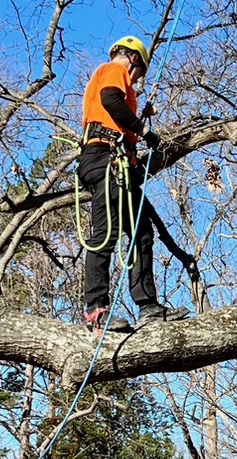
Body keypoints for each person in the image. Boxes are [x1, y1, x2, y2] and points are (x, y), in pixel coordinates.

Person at [78, 35, 190, 330]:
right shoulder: (113, 69)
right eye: (141, 73)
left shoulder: (114, 79)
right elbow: (111, 101)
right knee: (106, 234)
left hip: (116, 160)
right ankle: (96, 308)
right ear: (135, 59)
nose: (139, 79)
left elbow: (115, 109)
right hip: (104, 158)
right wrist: (143, 131)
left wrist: (138, 120)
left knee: (141, 232)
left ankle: (147, 306)